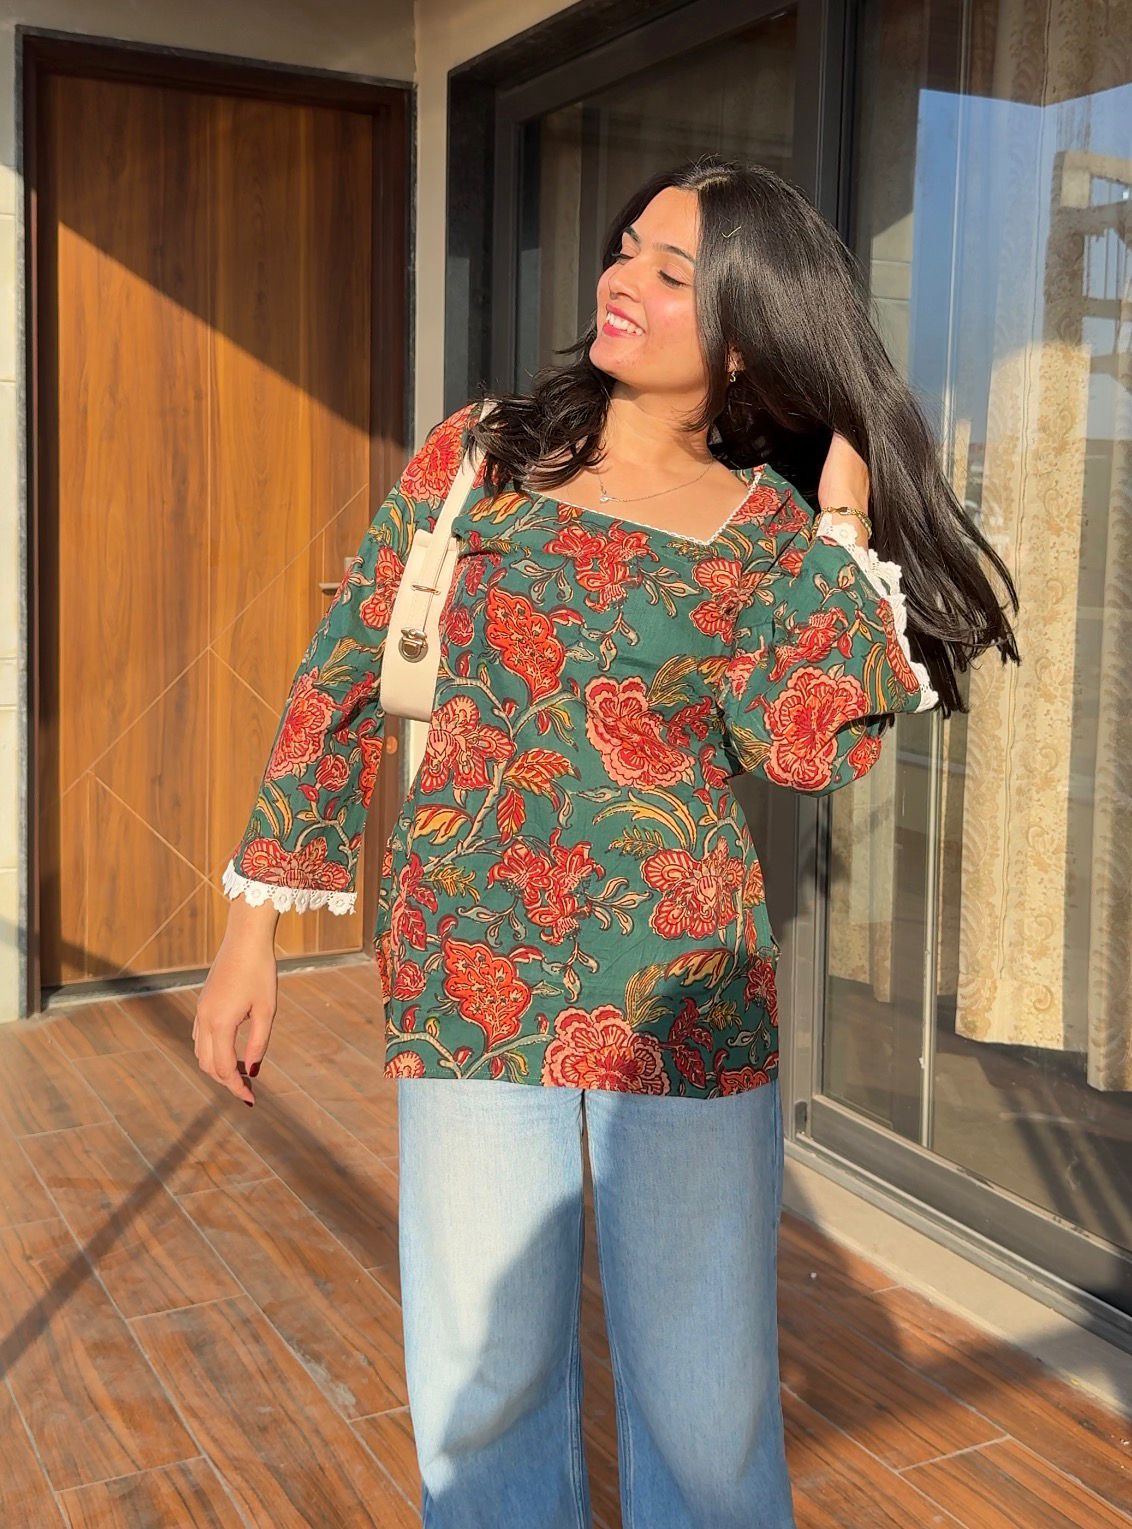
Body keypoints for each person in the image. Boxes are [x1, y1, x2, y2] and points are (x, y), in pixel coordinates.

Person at [194, 155, 1019, 1528]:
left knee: (705, 1414)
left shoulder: (766, 533)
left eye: (672, 271)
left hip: (679, 1001)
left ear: (747, 334)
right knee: (488, 1384)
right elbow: (341, 667)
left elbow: (803, 744)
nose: (622, 281)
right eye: (626, 248)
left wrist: (844, 517)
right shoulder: (486, 456)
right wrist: (251, 930)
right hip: (471, 976)